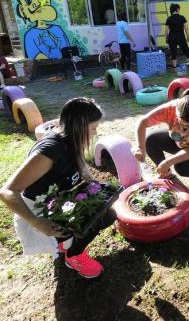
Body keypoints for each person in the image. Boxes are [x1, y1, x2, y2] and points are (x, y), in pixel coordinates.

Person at [0, 97, 114, 279]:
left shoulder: (72, 140)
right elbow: (7, 191)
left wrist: (95, 184)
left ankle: (68, 246)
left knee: (107, 213)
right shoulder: (50, 151)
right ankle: (72, 255)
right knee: (92, 220)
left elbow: (81, 167)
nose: (94, 133)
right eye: (93, 128)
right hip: (36, 214)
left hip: (56, 204)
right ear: (79, 126)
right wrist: (36, 222)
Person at [134, 89, 189, 185]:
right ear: (176, 111)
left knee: (182, 168)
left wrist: (168, 161)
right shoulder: (170, 108)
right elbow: (143, 122)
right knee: (150, 140)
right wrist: (141, 148)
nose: (183, 128)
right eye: (180, 122)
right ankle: (166, 173)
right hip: (179, 141)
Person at [165, 3, 189, 69]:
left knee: (173, 53)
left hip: (172, 37)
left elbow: (166, 31)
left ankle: (174, 67)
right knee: (187, 51)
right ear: (177, 9)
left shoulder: (169, 19)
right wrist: (188, 36)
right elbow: (186, 28)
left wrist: (166, 38)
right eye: (179, 9)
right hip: (181, 37)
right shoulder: (182, 18)